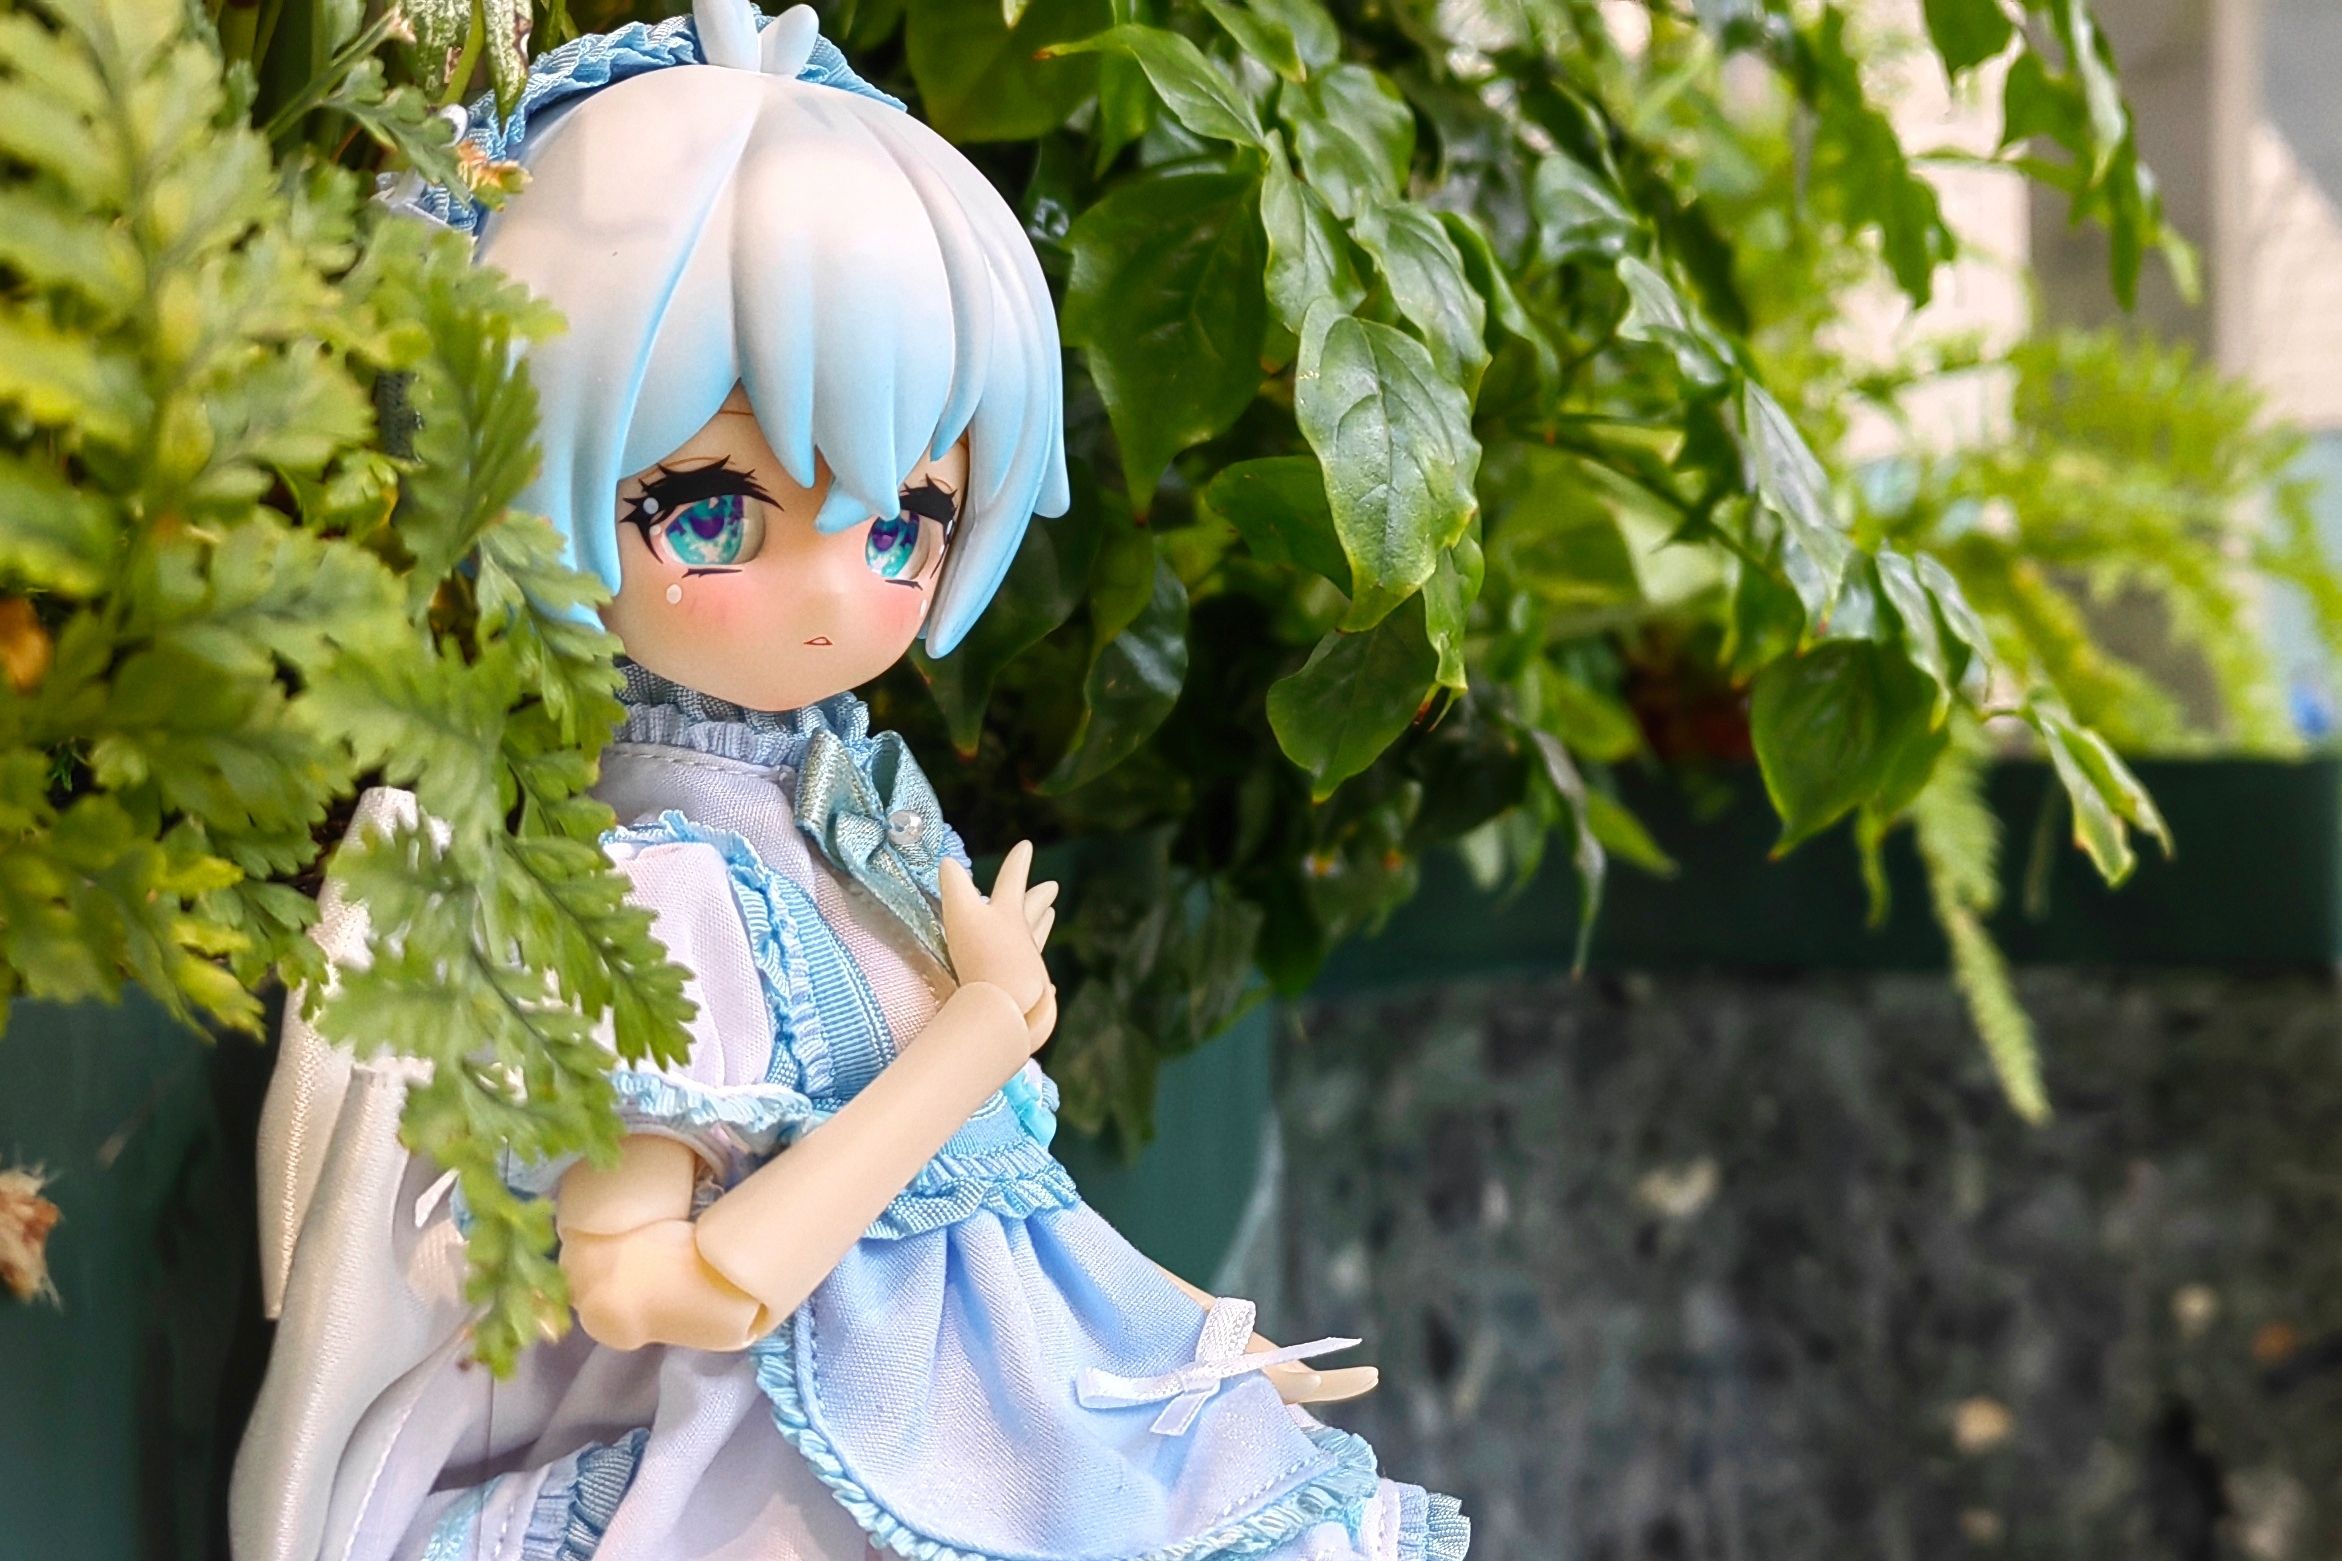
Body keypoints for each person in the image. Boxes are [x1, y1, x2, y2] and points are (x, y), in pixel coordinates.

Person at [232, 8, 1470, 1560]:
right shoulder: (658, 892)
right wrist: (973, 1034)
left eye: (901, 525)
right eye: (708, 512)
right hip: (742, 1485)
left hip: (922, 1436)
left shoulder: (847, 822)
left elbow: (982, 1222)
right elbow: (647, 1284)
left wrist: (1173, 1354)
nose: (831, 590)